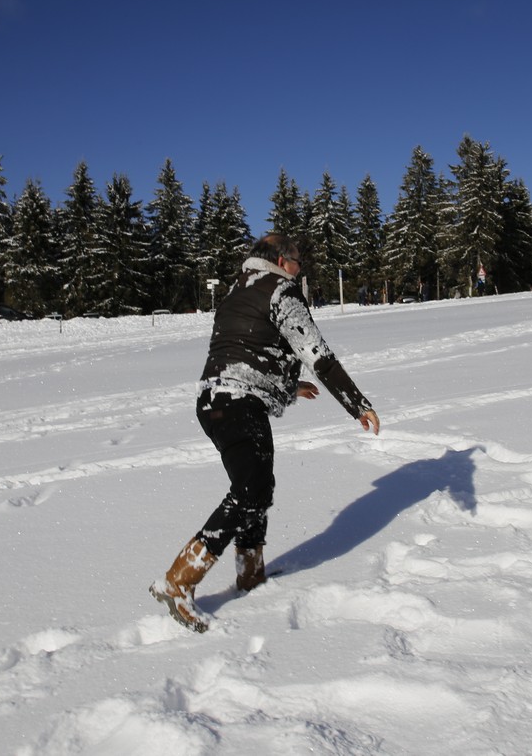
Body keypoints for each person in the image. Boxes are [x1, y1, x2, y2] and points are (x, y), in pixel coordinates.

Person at [150, 234, 380, 633]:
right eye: (297, 261)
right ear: (280, 260)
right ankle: (179, 579)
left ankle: (250, 574)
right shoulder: (280, 291)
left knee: (256, 487)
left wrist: (288, 386)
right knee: (250, 491)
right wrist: (357, 403)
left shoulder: (238, 289)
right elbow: (318, 355)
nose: (300, 268)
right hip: (240, 401)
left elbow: (244, 348)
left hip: (213, 402)